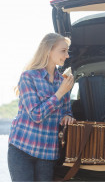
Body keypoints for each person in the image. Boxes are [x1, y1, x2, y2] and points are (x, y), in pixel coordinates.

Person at [7, 33, 75, 181]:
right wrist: (60, 93)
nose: (67, 55)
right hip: (22, 149)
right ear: (49, 50)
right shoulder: (28, 77)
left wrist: (68, 116)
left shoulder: (62, 81)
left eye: (67, 51)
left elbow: (67, 110)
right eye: (63, 51)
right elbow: (36, 114)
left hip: (47, 153)